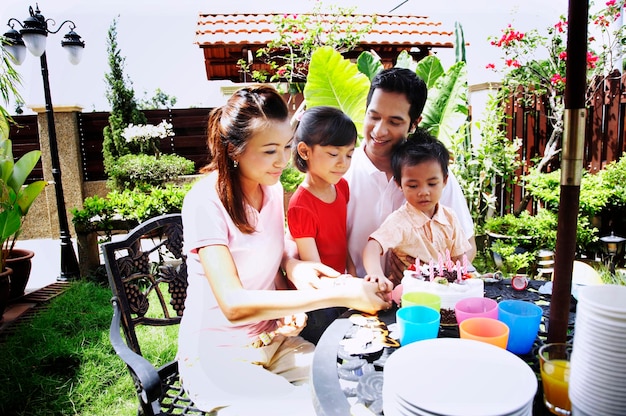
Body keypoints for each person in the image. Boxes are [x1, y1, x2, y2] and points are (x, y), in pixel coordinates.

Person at [177, 86, 391, 416]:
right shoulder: (205, 201)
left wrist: (292, 267)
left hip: (276, 340)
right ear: (235, 149)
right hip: (218, 356)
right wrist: (338, 295)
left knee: (362, 386)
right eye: (269, 150)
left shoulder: (272, 189)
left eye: (287, 146)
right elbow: (233, 303)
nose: (282, 160)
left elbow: (272, 251)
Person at [345, 67, 476, 285]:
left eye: (394, 122)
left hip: (422, 302)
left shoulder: (435, 176)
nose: (379, 131)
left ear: (414, 123)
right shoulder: (340, 171)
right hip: (353, 298)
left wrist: (434, 272)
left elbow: (466, 244)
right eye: (373, 116)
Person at [287, 106, 357, 344]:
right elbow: (314, 269)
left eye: (349, 154)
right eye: (333, 154)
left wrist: (354, 274)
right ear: (305, 151)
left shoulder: (342, 187)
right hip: (317, 301)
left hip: (340, 286)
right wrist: (350, 291)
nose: (343, 163)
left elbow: (342, 237)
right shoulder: (301, 206)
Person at [362, 131, 471, 281]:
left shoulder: (450, 218)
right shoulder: (400, 222)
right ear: (399, 184)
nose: (423, 192)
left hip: (445, 293)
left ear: (445, 180)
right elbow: (373, 247)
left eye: (432, 184)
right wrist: (376, 275)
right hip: (408, 295)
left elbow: (459, 259)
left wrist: (469, 277)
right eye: (413, 186)